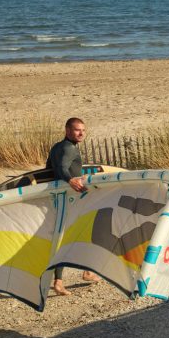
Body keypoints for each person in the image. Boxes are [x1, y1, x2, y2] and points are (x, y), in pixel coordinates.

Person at [46, 117, 99, 296]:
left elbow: (48, 170)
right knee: (81, 233)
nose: (81, 133)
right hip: (70, 199)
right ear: (68, 131)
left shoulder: (57, 147)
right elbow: (62, 168)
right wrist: (70, 180)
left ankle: (82, 273)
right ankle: (63, 280)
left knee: (65, 237)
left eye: (83, 130)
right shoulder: (69, 148)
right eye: (77, 130)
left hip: (58, 198)